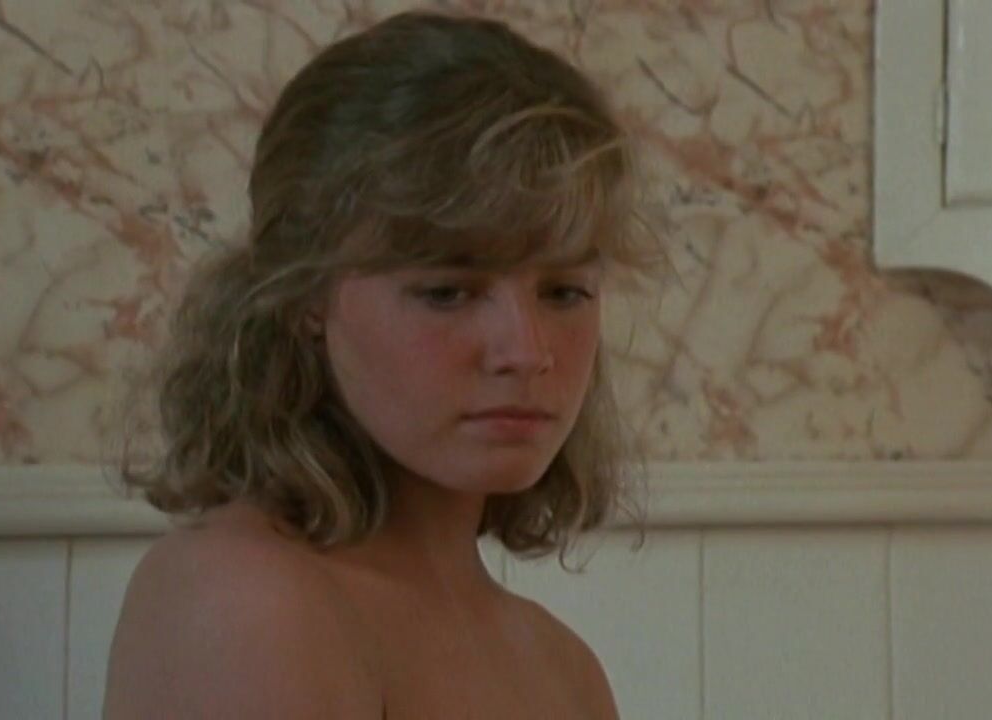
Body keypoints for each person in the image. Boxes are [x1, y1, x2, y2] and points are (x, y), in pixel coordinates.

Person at [103, 9, 662, 719]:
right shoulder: (246, 598)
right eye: (447, 292)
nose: (526, 351)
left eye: (564, 292)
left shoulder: (561, 664)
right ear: (305, 296)